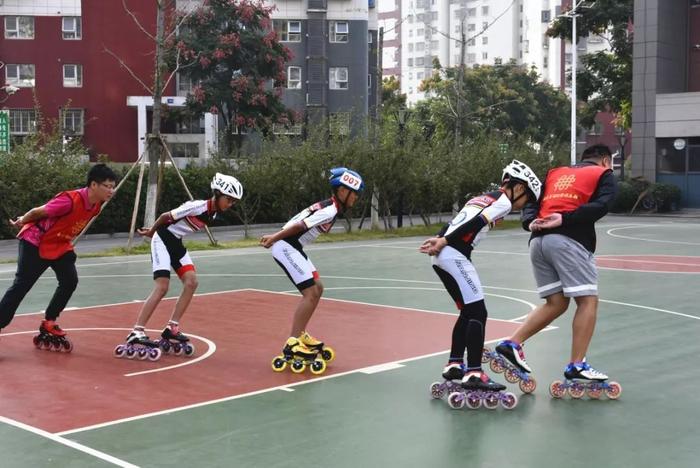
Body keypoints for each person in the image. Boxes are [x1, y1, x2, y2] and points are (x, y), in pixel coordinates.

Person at [496, 144, 618, 382]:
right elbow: (603, 205)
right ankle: (577, 364)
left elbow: (531, 198)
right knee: (587, 300)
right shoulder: (603, 174)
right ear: (605, 160)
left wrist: (530, 221)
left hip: (538, 243)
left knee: (557, 302)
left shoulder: (555, 173)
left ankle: (512, 343)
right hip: (568, 241)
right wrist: (565, 218)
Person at [420, 160, 542, 391]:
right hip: (455, 254)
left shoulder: (484, 197)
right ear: (518, 188)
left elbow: (457, 220)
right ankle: (474, 372)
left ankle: (455, 364)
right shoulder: (503, 201)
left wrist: (439, 237)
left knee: (467, 312)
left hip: (443, 257)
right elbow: (476, 222)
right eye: (527, 198)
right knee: (478, 312)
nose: (525, 204)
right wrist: (444, 240)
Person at [119, 173, 242, 359]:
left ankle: (172, 328)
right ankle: (137, 331)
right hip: (161, 239)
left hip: (176, 243)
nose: (230, 204)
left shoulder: (214, 213)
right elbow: (165, 216)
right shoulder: (197, 206)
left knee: (191, 282)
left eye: (233, 202)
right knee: (162, 287)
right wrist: (151, 232)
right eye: (229, 199)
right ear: (217, 194)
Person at [0, 164, 117, 351]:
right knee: (21, 287)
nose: (111, 190)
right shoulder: (70, 200)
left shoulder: (96, 205)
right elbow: (38, 211)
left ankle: (49, 321)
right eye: (107, 186)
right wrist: (22, 221)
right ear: (93, 185)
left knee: (70, 281)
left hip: (59, 245)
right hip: (36, 243)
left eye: (113, 186)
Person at [260, 167, 363, 368]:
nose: (356, 198)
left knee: (318, 287)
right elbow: (300, 226)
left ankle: (301, 335)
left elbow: (297, 220)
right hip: (286, 247)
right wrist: (275, 238)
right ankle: (292, 343)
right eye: (355, 194)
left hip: (293, 246)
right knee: (310, 293)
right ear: (342, 191)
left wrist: (276, 234)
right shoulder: (330, 209)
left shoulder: (330, 206)